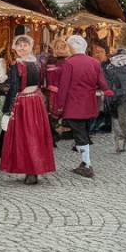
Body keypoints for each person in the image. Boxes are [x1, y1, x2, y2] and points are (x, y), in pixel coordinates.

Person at [52, 35, 113, 178]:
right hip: (90, 104)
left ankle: (87, 164)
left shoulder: (68, 63)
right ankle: (84, 162)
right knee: (83, 132)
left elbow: (64, 87)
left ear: (72, 47)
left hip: (74, 105)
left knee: (80, 135)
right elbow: (102, 81)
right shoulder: (94, 62)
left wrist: (58, 106)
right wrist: (107, 90)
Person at [0, 35, 56, 184]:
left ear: (30, 47)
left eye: (25, 45)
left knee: (27, 136)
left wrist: (7, 109)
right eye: (19, 45)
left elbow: (13, 88)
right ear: (15, 48)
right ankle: (32, 170)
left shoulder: (21, 64)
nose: (22, 47)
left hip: (25, 102)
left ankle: (32, 171)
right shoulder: (37, 63)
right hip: (34, 100)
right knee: (33, 135)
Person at [104, 45, 126, 152]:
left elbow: (106, 83)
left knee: (115, 118)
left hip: (112, 95)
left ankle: (119, 144)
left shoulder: (110, 66)